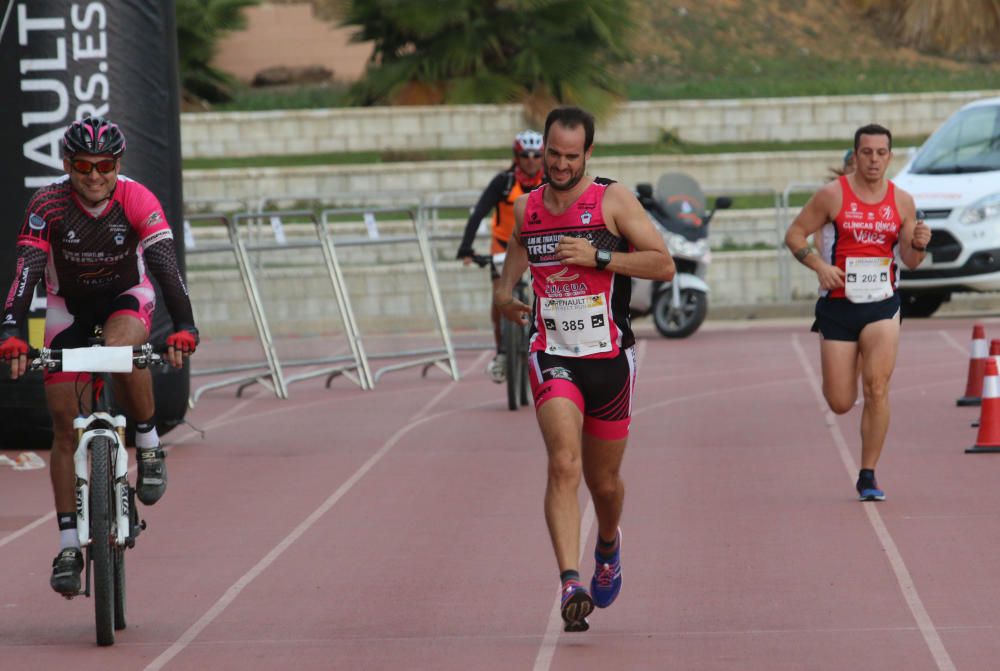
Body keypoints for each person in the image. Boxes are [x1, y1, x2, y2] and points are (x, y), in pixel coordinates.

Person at [0, 117, 199, 596]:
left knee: (122, 349)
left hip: (123, 297)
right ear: (68, 165)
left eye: (104, 166)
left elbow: (166, 269)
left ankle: (149, 447)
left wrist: (186, 326)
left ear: (117, 165)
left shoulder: (137, 198)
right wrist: (11, 331)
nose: (94, 176)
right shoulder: (47, 204)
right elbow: (26, 273)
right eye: (83, 166)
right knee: (64, 425)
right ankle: (69, 544)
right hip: (66, 307)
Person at [494, 106, 674, 631]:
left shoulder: (611, 200)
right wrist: (506, 296)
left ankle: (609, 544)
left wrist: (598, 258)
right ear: (543, 150)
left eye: (572, 156)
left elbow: (662, 263)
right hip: (553, 354)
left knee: (605, 484)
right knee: (563, 465)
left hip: (610, 360)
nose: (561, 164)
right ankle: (570, 581)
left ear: (588, 154)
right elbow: (512, 265)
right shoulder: (529, 208)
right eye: (553, 154)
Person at [784, 123, 930, 502]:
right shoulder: (832, 196)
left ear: (890, 157)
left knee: (877, 388)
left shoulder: (902, 201)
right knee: (840, 401)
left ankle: (868, 474)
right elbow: (795, 235)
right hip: (838, 305)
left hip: (883, 303)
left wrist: (919, 244)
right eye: (867, 152)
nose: (874, 160)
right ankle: (849, 395)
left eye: (881, 153)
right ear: (855, 155)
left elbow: (911, 262)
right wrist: (819, 266)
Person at [457, 130, 545, 382]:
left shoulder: (549, 182)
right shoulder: (503, 182)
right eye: (525, 155)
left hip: (539, 246)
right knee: (499, 297)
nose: (531, 160)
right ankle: (502, 354)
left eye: (537, 155)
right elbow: (478, 214)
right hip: (503, 248)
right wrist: (466, 248)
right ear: (517, 156)